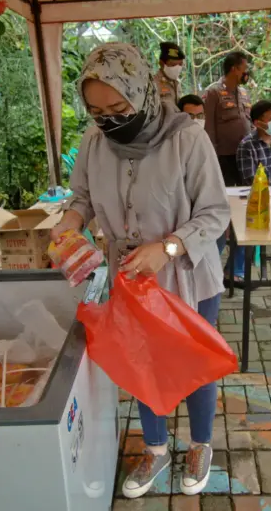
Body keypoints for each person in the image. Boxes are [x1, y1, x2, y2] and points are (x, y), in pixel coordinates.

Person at [49, 43, 230, 499]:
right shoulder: (94, 141)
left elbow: (214, 213)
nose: (109, 119)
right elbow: (82, 198)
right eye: (96, 110)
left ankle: (200, 443)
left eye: (118, 106)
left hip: (187, 274)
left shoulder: (187, 138)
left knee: (195, 365)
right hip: (131, 277)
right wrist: (70, 222)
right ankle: (155, 448)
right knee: (140, 362)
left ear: (143, 91)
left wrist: (167, 248)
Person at [227, 100, 271, 277]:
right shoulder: (247, 145)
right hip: (260, 198)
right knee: (245, 225)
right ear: (258, 123)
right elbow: (249, 179)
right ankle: (233, 271)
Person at [203, 51, 252, 187]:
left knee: (246, 192)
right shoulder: (213, 92)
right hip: (224, 156)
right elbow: (208, 127)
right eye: (244, 69)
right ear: (234, 69)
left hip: (245, 155)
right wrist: (211, 155)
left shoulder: (244, 93)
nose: (246, 73)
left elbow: (251, 122)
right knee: (227, 192)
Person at [153, 42, 185, 106]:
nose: (177, 68)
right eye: (173, 65)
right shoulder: (154, 83)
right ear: (161, 63)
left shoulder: (177, 83)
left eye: (180, 64)